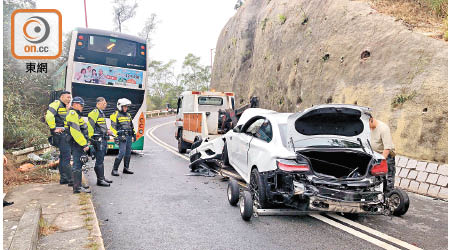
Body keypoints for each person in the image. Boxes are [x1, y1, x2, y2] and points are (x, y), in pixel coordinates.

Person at [45, 91, 73, 186]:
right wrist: (53, 128)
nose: (69, 99)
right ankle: (71, 180)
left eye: (70, 98)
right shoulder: (56, 104)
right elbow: (49, 116)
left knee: (63, 157)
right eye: (67, 97)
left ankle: (64, 178)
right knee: (66, 157)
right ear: (61, 97)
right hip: (61, 136)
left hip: (64, 134)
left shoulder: (65, 106)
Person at [66, 97, 91, 193]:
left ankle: (78, 185)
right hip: (77, 143)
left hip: (77, 143)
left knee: (78, 164)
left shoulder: (75, 114)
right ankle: (77, 188)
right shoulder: (72, 114)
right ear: (75, 104)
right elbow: (76, 131)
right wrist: (84, 144)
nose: (82, 108)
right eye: (81, 105)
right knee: (77, 164)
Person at [88, 97, 113, 186]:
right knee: (99, 159)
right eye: (103, 103)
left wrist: (107, 131)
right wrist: (90, 139)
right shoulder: (94, 113)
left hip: (103, 138)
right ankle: (100, 180)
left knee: (101, 159)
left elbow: (101, 126)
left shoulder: (101, 113)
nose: (105, 105)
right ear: (98, 104)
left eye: (105, 103)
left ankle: (102, 177)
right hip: (98, 139)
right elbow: (90, 127)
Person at [368, 113, 396, 191]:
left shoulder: (383, 128)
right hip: (374, 155)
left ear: (371, 120)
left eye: (367, 124)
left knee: (388, 179)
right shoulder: (368, 128)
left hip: (386, 156)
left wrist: (381, 162)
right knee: (375, 178)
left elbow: (387, 148)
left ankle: (388, 196)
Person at [110, 98, 136, 176]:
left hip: (129, 136)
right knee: (121, 153)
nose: (126, 108)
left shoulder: (128, 115)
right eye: (124, 107)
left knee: (128, 153)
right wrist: (116, 137)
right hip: (122, 137)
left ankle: (126, 168)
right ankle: (114, 170)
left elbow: (131, 126)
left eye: (127, 107)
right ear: (120, 106)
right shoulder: (115, 115)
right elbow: (113, 128)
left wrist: (134, 135)